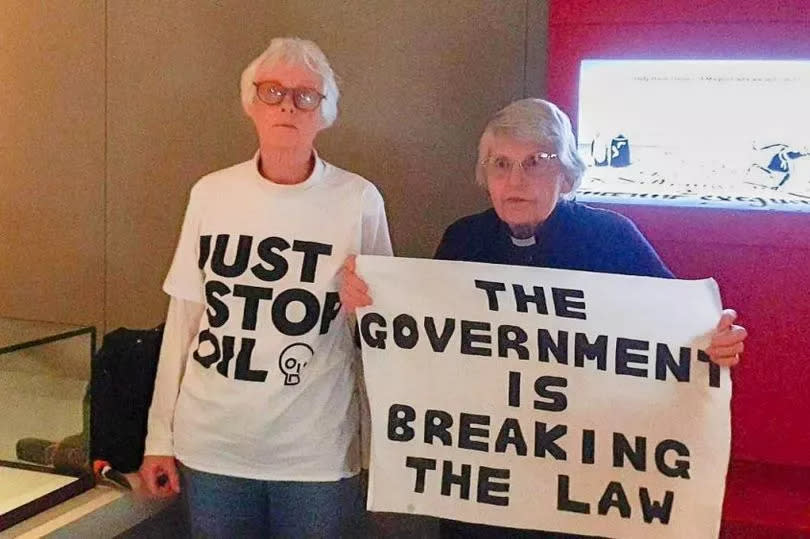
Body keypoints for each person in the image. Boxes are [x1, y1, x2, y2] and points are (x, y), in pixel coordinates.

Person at [339, 98, 746, 538]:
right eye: (501, 164)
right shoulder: (464, 239)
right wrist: (369, 309)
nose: (516, 180)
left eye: (536, 162)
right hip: (484, 484)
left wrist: (714, 340)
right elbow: (422, 347)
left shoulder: (611, 238)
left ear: (566, 173)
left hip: (579, 487)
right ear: (485, 176)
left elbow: (678, 334)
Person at [139, 37, 392, 538]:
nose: (287, 106)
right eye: (272, 91)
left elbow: (386, 330)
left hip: (315, 453)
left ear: (325, 113)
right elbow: (184, 321)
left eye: (305, 96)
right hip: (212, 446)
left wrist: (363, 306)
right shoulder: (211, 194)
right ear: (251, 104)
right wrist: (157, 437)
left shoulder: (358, 199)